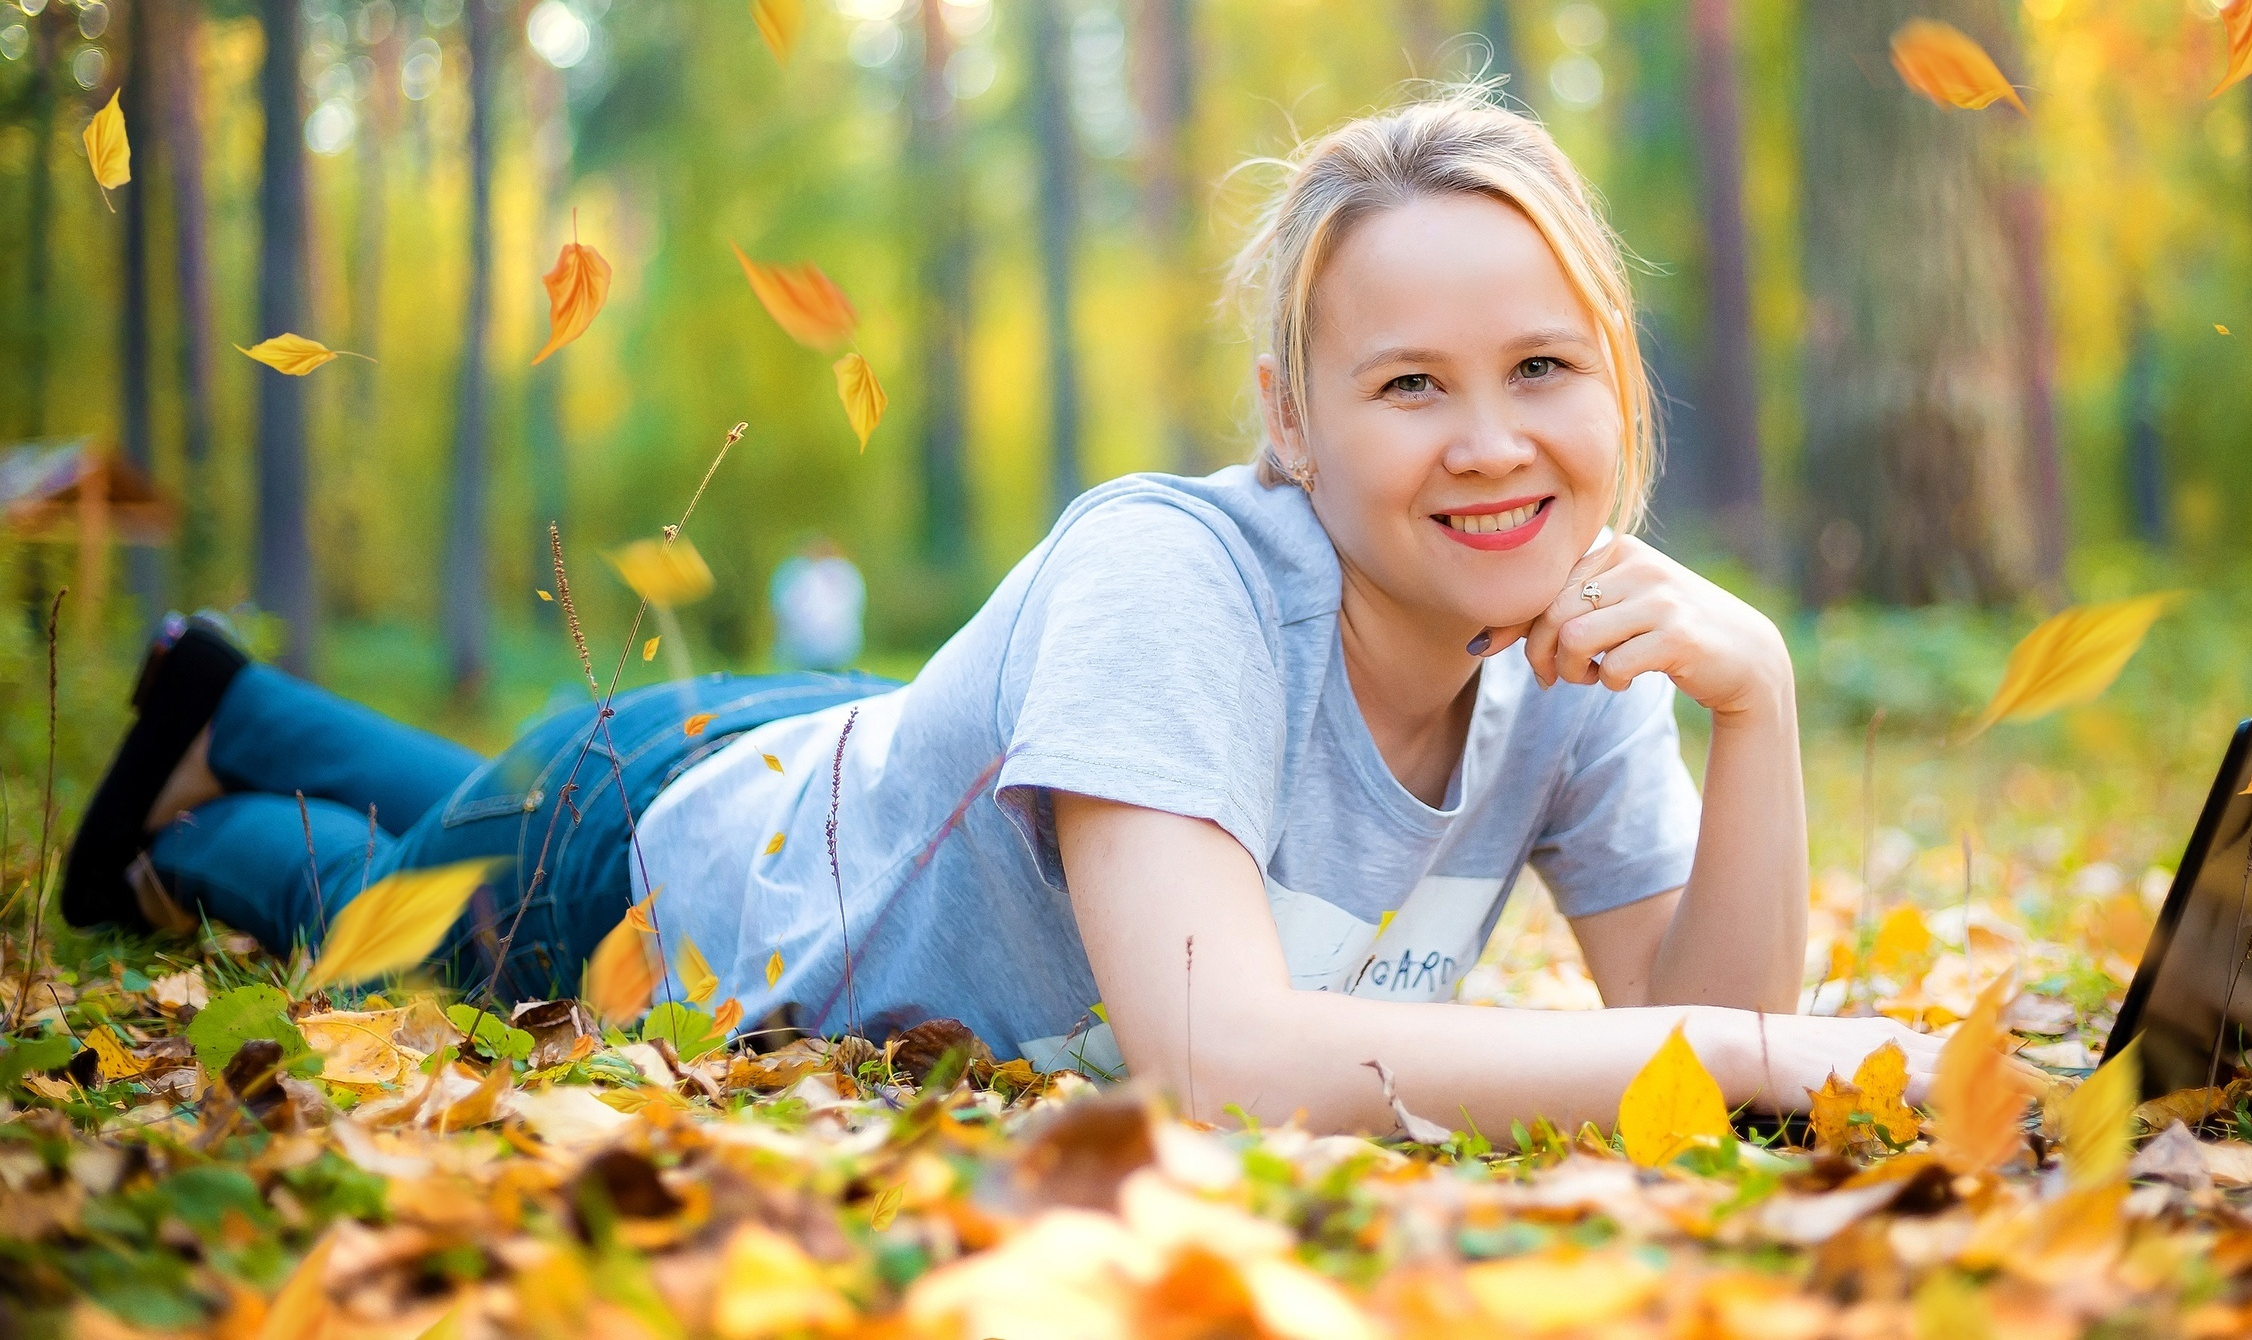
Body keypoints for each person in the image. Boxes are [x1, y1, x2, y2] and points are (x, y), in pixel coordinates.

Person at [62, 95, 1936, 1133]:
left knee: (433, 805)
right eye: (1409, 386)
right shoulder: (1171, 574)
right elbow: (1224, 1056)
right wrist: (1781, 1057)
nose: (1493, 444)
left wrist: (1757, 701)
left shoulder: (1571, 626)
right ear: (1288, 420)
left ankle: (214, 696)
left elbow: (1699, 1030)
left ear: (1617, 380)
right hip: (666, 862)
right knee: (347, 910)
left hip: (869, 748)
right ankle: (190, 818)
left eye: (1543, 366)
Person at [770, 537, 866, 669]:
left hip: (807, 647)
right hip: (844, 646)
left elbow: (785, 612)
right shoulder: (848, 572)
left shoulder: (799, 573)